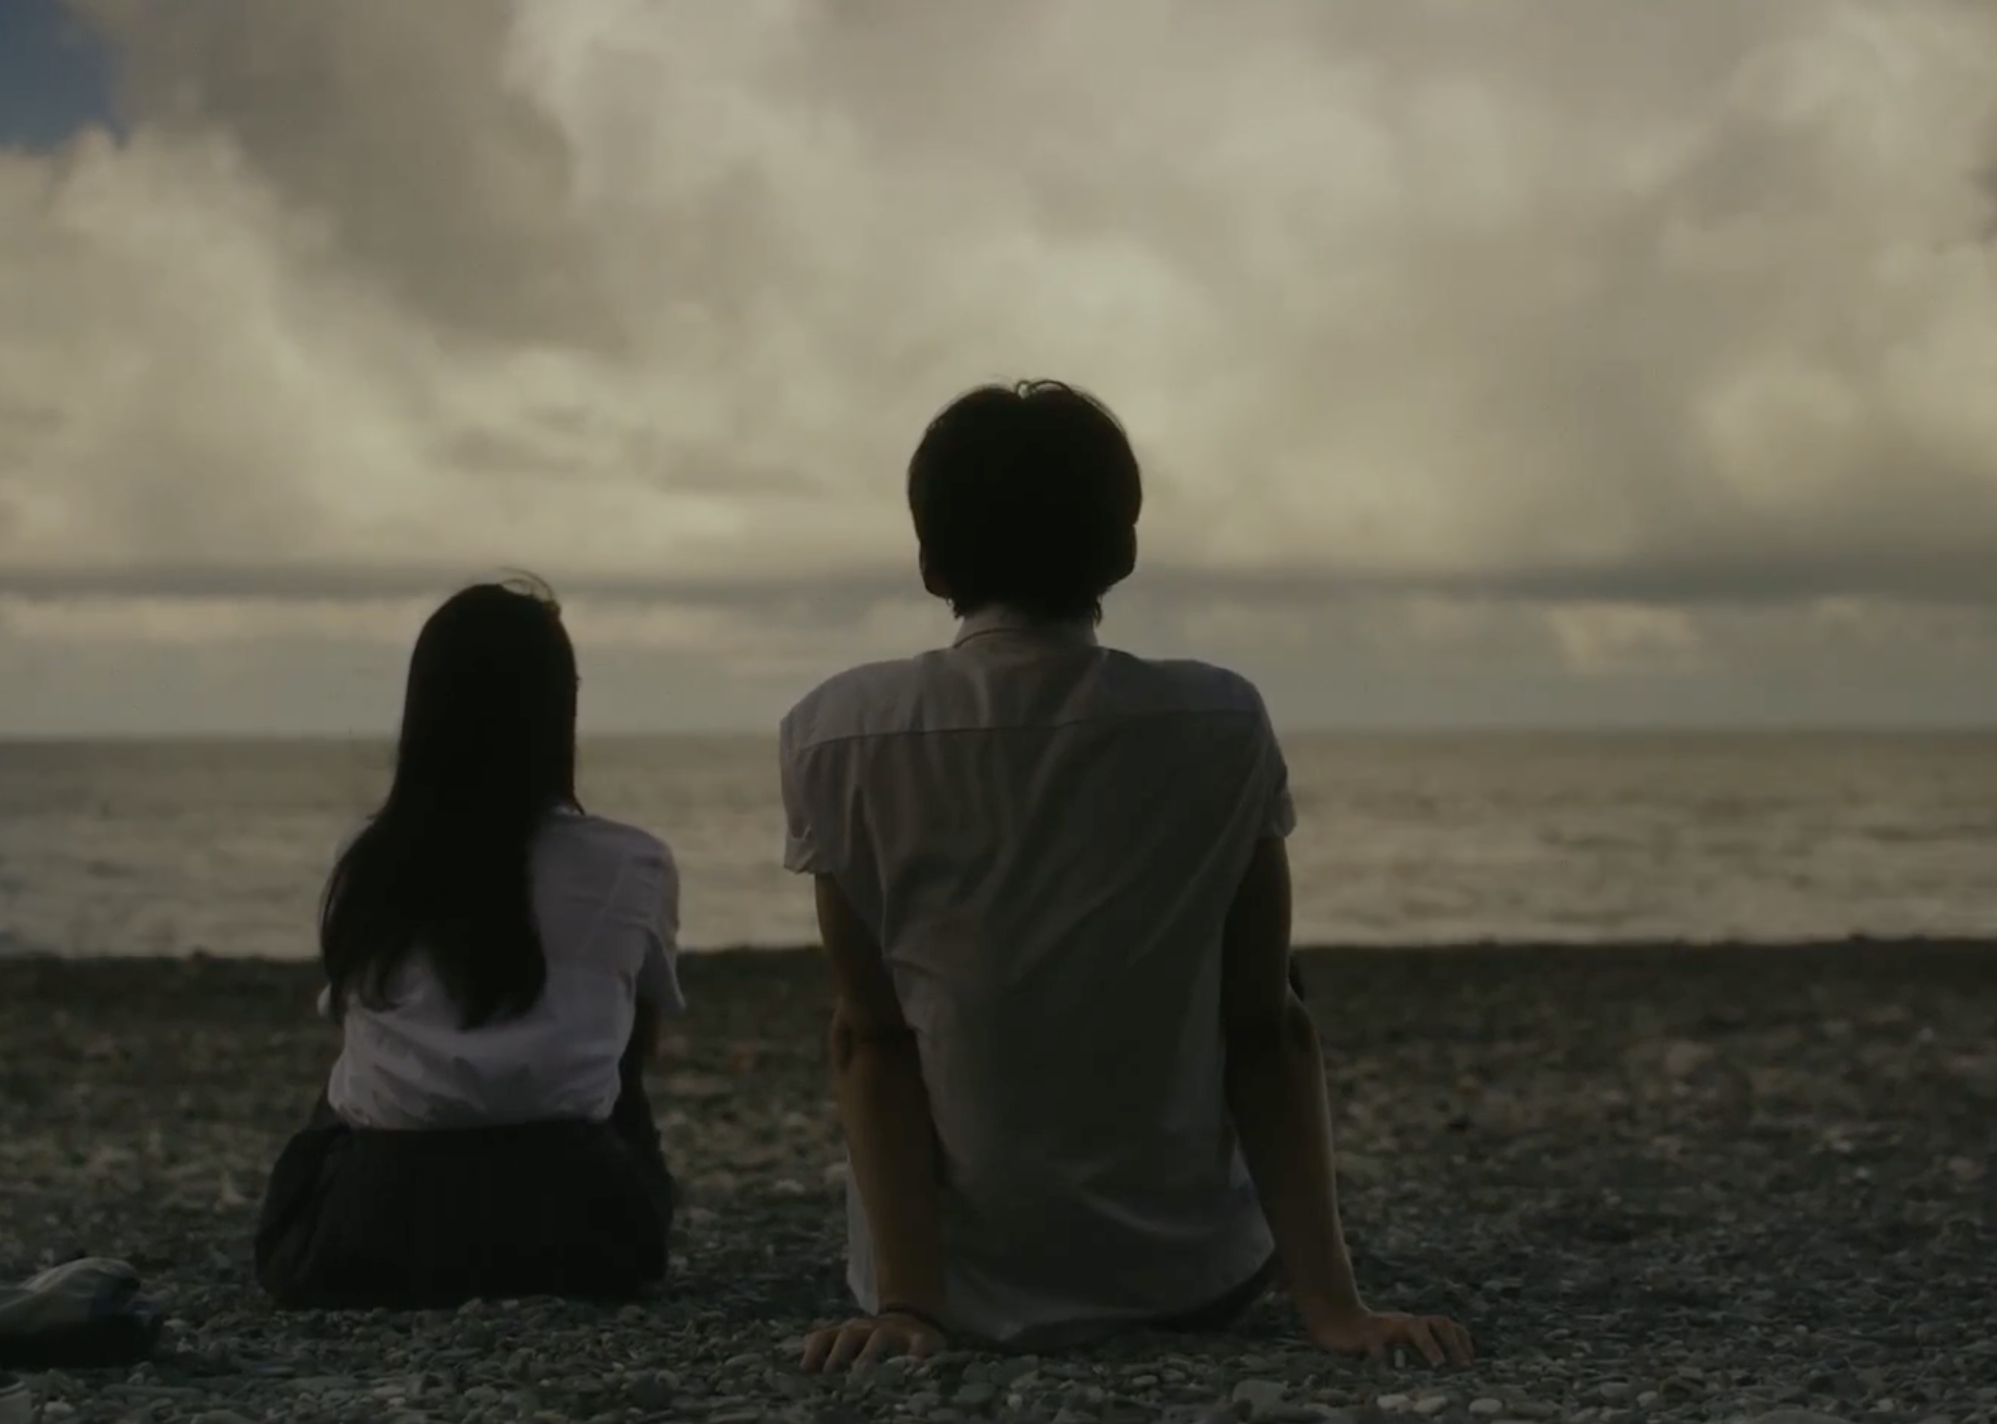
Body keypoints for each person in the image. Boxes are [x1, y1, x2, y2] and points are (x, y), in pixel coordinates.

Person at [777, 381, 1476, 1369]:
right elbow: (1265, 1031)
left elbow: (872, 1039)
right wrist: (1334, 1310)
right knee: (1263, 977)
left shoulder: (837, 732)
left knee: (888, 1012)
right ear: (1123, 549)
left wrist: (909, 1306)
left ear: (931, 562)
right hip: (1191, 1277)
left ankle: (912, 1289)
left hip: (956, 1290)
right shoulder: (1219, 720)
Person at [254, 578, 684, 1311]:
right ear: (559, 714)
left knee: (350, 1077)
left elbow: (353, 1017)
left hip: (363, 1229)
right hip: (581, 1224)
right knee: (617, 1034)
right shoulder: (634, 861)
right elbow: (636, 1039)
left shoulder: (369, 858)